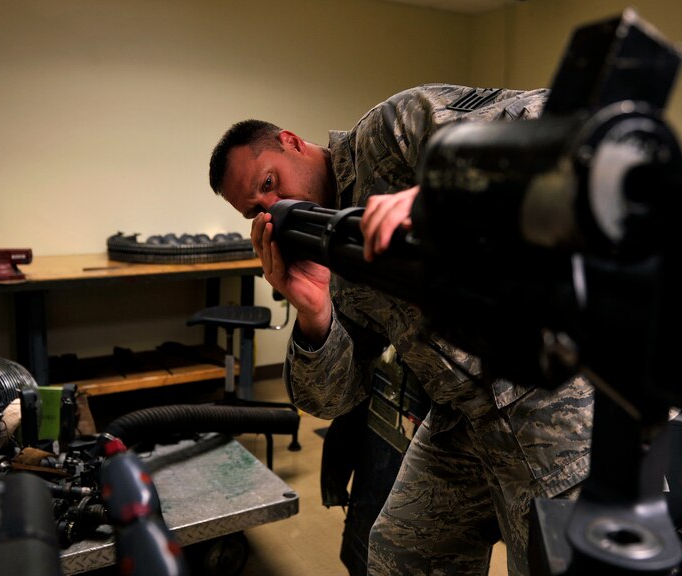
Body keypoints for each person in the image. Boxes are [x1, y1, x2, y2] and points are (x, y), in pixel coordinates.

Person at [208, 84, 594, 576]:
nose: (273, 206)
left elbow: (549, 122)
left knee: (559, 563)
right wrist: (314, 311)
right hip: (464, 418)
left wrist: (442, 196)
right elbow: (332, 399)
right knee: (399, 557)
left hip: (552, 398)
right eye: (255, 209)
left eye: (270, 181)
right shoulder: (319, 248)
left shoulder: (394, 129)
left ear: (292, 142)